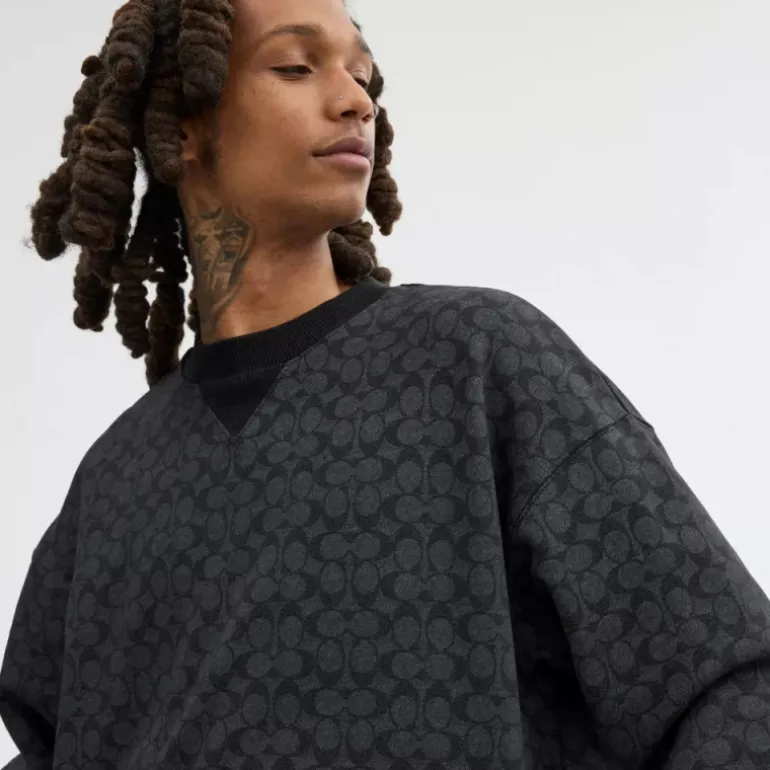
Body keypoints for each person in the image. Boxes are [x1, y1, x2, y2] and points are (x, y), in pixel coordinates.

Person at [2, 0, 769, 767]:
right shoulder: (113, 481)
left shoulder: (477, 361)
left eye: (363, 75)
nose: (355, 100)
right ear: (182, 123)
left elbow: (727, 679)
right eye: (296, 66)